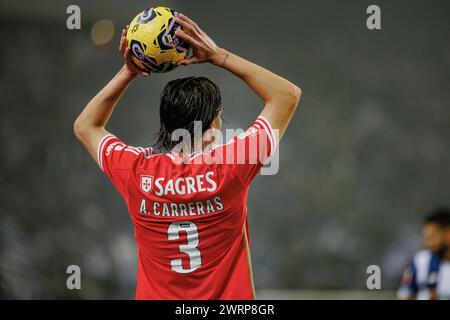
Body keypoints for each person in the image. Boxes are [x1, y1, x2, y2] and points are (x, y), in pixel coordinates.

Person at [74, 13, 301, 299]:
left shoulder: (137, 173)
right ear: (214, 124)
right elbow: (287, 95)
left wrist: (130, 70)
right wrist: (219, 56)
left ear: (165, 126)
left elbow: (85, 126)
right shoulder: (232, 167)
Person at [397, 207, 450, 300]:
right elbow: (404, 293)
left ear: (448, 235)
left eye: (432, 238)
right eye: (426, 238)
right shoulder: (420, 261)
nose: (427, 243)